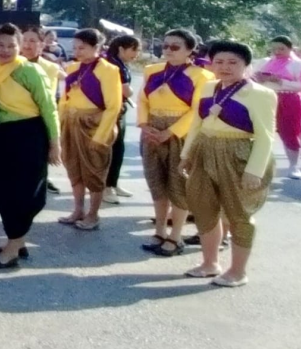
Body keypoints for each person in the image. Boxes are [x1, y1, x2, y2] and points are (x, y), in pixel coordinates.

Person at [181, 40, 276, 287]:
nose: (225, 67)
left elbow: (266, 136)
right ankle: (210, 263)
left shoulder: (260, 94)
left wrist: (254, 170)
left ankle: (238, 271)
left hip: (239, 154)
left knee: (239, 213)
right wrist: (186, 154)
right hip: (205, 149)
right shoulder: (208, 87)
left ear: (246, 65)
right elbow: (196, 123)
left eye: (233, 62)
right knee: (203, 207)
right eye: (219, 62)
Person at [0, 24, 61, 268]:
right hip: (1, 135)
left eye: (11, 45)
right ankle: (16, 240)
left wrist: (54, 143)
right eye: (0, 45)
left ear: (19, 47)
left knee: (24, 192)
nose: (5, 50)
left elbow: (49, 107)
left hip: (28, 135)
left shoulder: (29, 70)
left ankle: (13, 250)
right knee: (4, 191)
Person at [138, 28, 214, 256]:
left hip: (181, 134)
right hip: (152, 131)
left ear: (190, 50)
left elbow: (198, 110)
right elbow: (142, 100)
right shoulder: (152, 70)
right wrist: (144, 124)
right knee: (156, 181)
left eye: (175, 47)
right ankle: (159, 230)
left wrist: (170, 131)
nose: (168, 50)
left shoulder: (202, 76)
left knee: (178, 184)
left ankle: (175, 236)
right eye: (165, 45)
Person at [58, 28, 123, 231]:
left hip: (94, 126)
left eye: (83, 48)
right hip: (71, 122)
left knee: (94, 170)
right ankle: (78, 209)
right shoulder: (72, 69)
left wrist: (101, 136)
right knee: (73, 168)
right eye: (75, 47)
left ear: (97, 48)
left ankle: (93, 214)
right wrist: (61, 126)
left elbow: (114, 106)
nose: (78, 51)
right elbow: (64, 100)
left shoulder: (109, 70)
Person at [251, 36, 301, 179]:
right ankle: (261, 164)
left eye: (281, 48)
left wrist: (280, 81)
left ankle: (294, 165)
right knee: (261, 130)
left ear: (290, 48)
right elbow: (250, 78)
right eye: (274, 48)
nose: (277, 51)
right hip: (265, 97)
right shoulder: (264, 62)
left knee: (290, 132)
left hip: (289, 98)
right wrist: (259, 78)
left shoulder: (298, 64)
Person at [21, 25, 64, 194]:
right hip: (10, 120)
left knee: (37, 160)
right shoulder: (8, 63)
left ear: (42, 44)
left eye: (33, 41)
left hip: (36, 119)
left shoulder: (50, 67)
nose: (27, 45)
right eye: (24, 40)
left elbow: (48, 100)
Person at [102, 35, 141, 204]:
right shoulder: (113, 64)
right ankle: (105, 187)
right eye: (134, 49)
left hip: (119, 110)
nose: (137, 54)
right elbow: (127, 91)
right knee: (111, 149)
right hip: (110, 111)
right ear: (121, 49)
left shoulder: (121, 63)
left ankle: (113, 182)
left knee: (119, 148)